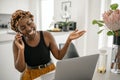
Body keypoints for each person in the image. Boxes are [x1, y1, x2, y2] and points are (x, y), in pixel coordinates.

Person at [10, 9, 86, 80]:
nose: (29, 29)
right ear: (18, 31)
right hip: (30, 75)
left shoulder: (47, 35)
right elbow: (21, 69)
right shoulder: (17, 42)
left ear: (32, 20)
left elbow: (59, 56)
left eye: (29, 23)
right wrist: (21, 49)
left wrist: (69, 40)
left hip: (49, 71)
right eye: (23, 28)